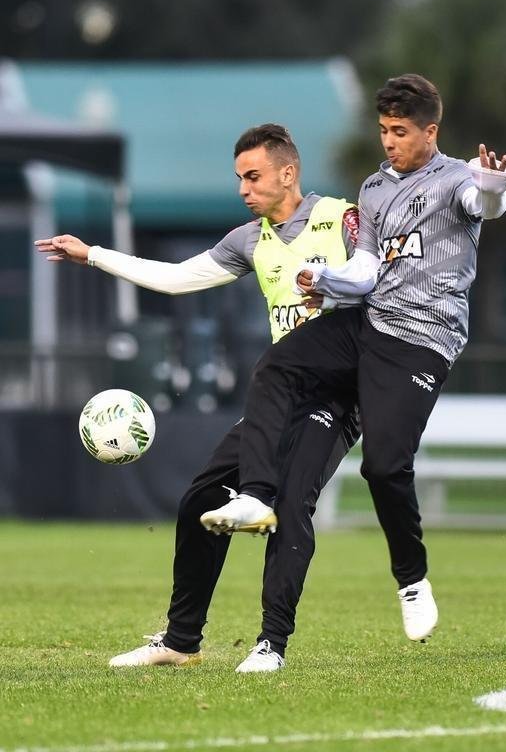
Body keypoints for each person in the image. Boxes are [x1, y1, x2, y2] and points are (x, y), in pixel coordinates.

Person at [35, 123, 363, 672]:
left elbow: (381, 278)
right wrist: (93, 255)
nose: (243, 189)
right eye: (239, 178)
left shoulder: (343, 218)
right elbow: (175, 278)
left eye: (253, 176)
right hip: (283, 393)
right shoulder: (249, 240)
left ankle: (271, 644)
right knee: (200, 501)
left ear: (288, 173)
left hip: (338, 393)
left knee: (292, 504)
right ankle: (181, 640)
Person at [210, 74, 506, 645]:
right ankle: (256, 494)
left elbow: (484, 205)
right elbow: (367, 269)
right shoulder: (373, 188)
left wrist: (495, 188)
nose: (389, 141)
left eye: (400, 131)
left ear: (431, 131)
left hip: (423, 339)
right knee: (278, 364)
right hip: (369, 321)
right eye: (383, 130)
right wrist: (325, 279)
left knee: (384, 467)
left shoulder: (457, 179)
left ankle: (412, 579)